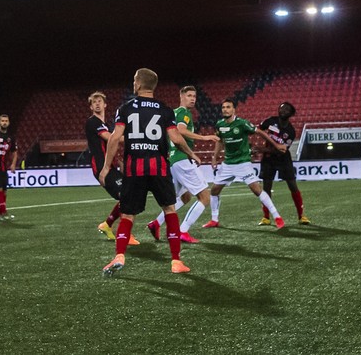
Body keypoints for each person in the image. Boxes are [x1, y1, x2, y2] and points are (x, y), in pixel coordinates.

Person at [98, 67, 197, 276]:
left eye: (134, 80)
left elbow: (115, 138)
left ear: (140, 84)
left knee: (127, 214)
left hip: (135, 168)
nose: (133, 83)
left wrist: (106, 167)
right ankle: (176, 261)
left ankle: (119, 256)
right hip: (159, 167)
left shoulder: (125, 108)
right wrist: (190, 153)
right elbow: (177, 138)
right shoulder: (165, 109)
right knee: (170, 209)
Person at [148, 85, 214, 242]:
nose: (192, 99)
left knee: (183, 197)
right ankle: (183, 231)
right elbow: (181, 131)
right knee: (205, 197)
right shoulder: (184, 113)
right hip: (182, 159)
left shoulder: (172, 113)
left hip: (174, 161)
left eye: (194, 96)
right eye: (189, 95)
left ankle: (156, 223)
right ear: (181, 96)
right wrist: (205, 138)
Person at [206, 99, 285, 228]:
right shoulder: (219, 124)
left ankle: (277, 217)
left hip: (243, 162)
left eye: (228, 107)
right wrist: (214, 157)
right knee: (214, 190)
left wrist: (276, 145)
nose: (225, 109)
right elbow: (220, 141)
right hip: (228, 163)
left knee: (256, 189)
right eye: (223, 107)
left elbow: (259, 132)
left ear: (233, 110)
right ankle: (214, 220)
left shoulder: (242, 123)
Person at [86, 92, 136, 245]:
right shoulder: (93, 122)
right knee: (127, 197)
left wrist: (118, 161)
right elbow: (110, 139)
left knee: (128, 195)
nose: (97, 104)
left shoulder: (104, 124)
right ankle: (125, 234)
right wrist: (134, 137)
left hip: (110, 166)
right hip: (102, 168)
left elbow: (109, 146)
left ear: (105, 104)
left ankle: (107, 225)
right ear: (91, 107)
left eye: (100, 101)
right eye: (94, 102)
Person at [257, 101, 311, 225]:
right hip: (268, 158)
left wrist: (261, 149)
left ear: (291, 113)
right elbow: (259, 130)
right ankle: (266, 217)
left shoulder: (290, 131)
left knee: (292, 185)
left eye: (286, 109)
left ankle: (301, 216)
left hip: (283, 159)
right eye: (281, 108)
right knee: (267, 188)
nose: (282, 110)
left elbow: (281, 150)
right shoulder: (270, 121)